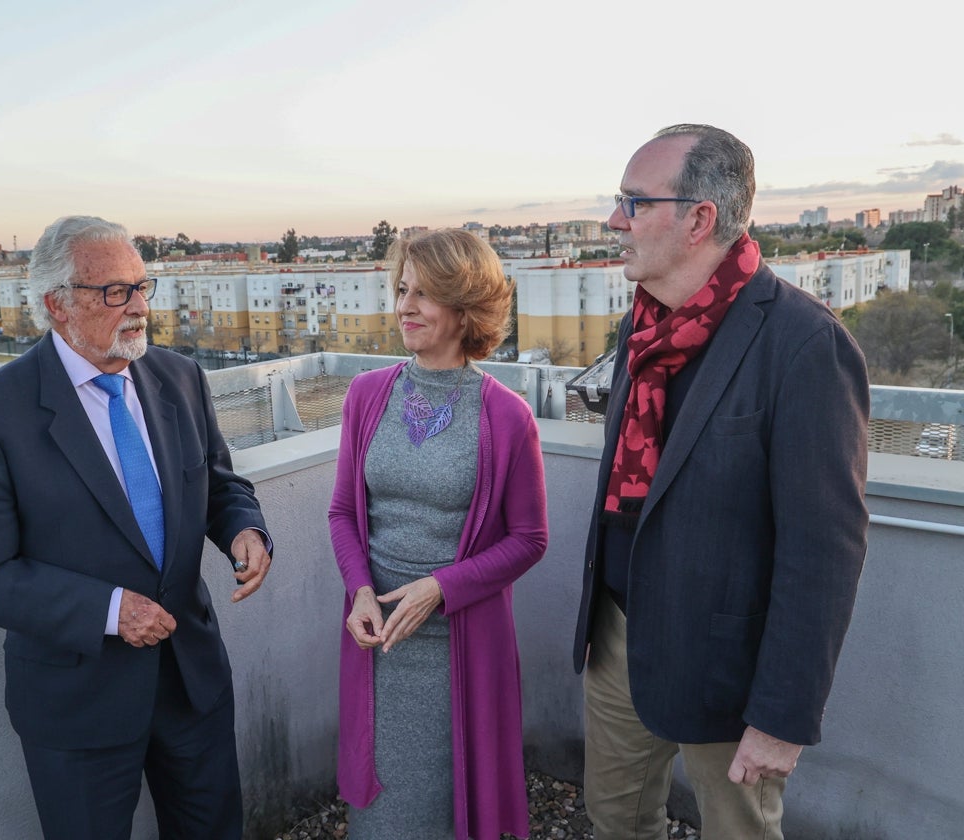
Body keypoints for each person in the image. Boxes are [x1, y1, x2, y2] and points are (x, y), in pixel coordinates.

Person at [571, 125, 869, 839]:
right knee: (614, 820)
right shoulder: (639, 327)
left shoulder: (803, 344)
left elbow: (823, 552)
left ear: (700, 218)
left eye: (633, 202)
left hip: (728, 669)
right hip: (619, 637)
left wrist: (781, 717)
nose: (615, 220)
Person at [0, 215, 272, 840]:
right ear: (57, 305)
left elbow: (219, 485)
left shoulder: (179, 378)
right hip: (79, 703)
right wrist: (109, 609)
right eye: (115, 292)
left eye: (142, 286)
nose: (140, 307)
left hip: (191, 680)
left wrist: (244, 531)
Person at [329, 228, 549, 840]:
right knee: (378, 808)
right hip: (376, 640)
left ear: (464, 307)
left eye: (423, 294)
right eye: (402, 290)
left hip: (460, 641)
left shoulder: (507, 415)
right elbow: (343, 513)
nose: (404, 306)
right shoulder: (366, 394)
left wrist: (440, 589)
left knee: (450, 806)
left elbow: (530, 539)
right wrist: (360, 592)